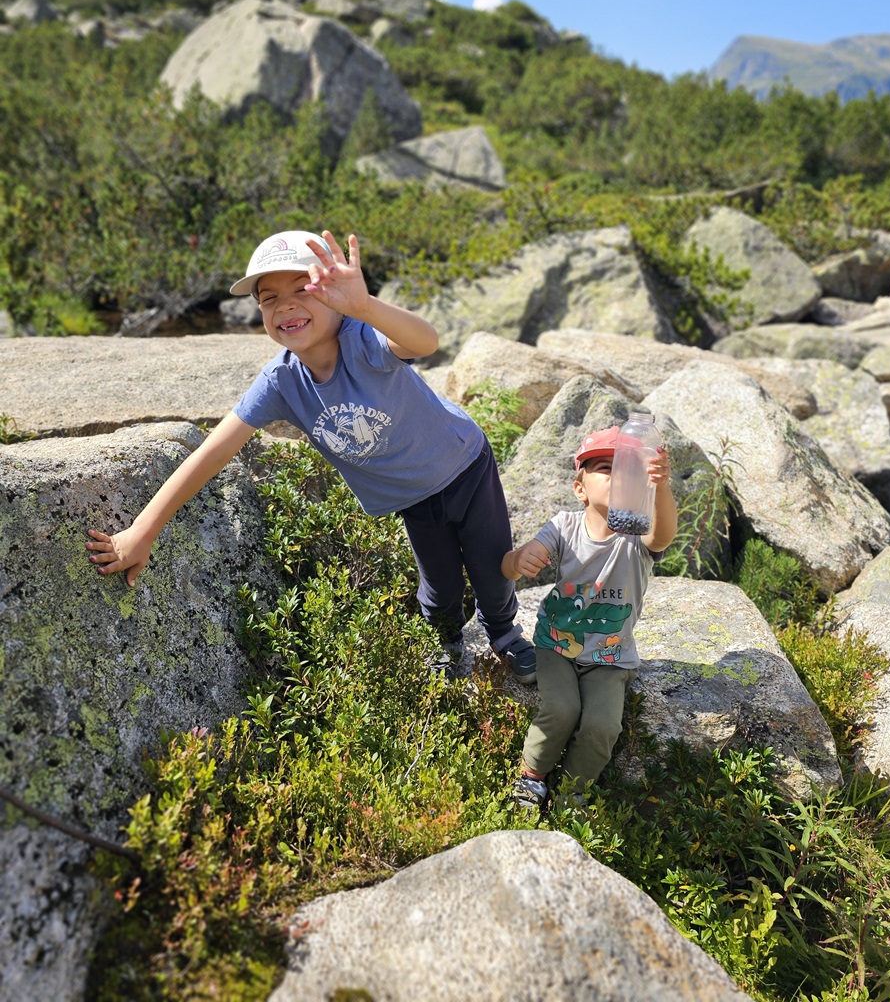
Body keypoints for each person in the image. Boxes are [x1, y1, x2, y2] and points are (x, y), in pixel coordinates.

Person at [86, 229, 536, 683]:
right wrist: (142, 532)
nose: (284, 306)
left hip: (465, 465)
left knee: (491, 566)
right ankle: (445, 640)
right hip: (412, 498)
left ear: (335, 294)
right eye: (269, 298)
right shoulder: (280, 382)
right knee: (438, 585)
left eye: (303, 290)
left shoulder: (363, 340)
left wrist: (365, 306)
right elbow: (211, 453)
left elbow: (425, 342)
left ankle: (503, 632)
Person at [501, 426, 677, 806]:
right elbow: (509, 566)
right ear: (580, 488)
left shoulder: (638, 532)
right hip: (557, 644)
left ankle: (571, 792)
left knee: (601, 726)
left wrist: (661, 487)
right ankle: (532, 777)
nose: (617, 477)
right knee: (562, 709)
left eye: (627, 470)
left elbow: (663, 537)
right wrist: (519, 560)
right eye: (604, 468)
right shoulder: (564, 526)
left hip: (611, 656)